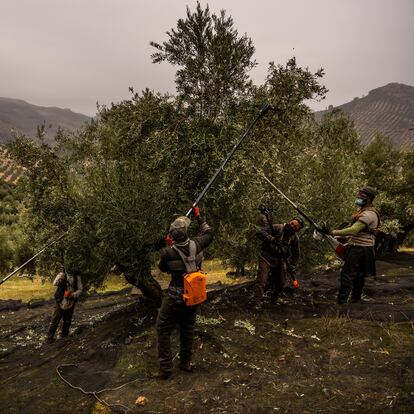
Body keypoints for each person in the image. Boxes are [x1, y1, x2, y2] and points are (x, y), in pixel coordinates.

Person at [156, 207, 213, 379]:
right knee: (187, 328)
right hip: (194, 294)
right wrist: (199, 217)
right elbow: (209, 233)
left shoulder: (167, 252)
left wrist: (169, 246)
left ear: (172, 237)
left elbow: (163, 269)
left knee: (162, 328)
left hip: (174, 296)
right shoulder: (199, 243)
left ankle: (166, 369)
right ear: (187, 233)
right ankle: (185, 363)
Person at [321, 186, 380, 304]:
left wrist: (332, 232)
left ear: (369, 199)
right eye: (358, 195)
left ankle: (342, 302)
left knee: (347, 275)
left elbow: (353, 230)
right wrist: (338, 237)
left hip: (359, 249)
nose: (358, 197)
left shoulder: (368, 214)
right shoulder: (362, 211)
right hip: (364, 248)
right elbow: (356, 232)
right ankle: (355, 299)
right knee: (359, 275)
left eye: (362, 196)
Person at [253, 217, 304, 307]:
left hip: (278, 260)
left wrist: (292, 265)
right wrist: (271, 239)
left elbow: (296, 254)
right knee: (262, 281)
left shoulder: (294, 239)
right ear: (289, 221)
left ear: (297, 230)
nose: (291, 226)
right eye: (292, 223)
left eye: (295, 227)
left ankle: (274, 299)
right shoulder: (277, 227)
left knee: (281, 282)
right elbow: (259, 231)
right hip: (265, 257)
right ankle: (257, 302)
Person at [47, 271, 83, 342]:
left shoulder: (76, 277)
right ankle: (49, 338)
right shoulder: (61, 274)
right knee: (55, 320)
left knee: (67, 320)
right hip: (60, 301)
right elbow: (54, 283)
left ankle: (64, 336)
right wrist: (60, 278)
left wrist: (73, 294)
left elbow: (80, 289)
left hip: (71, 301)